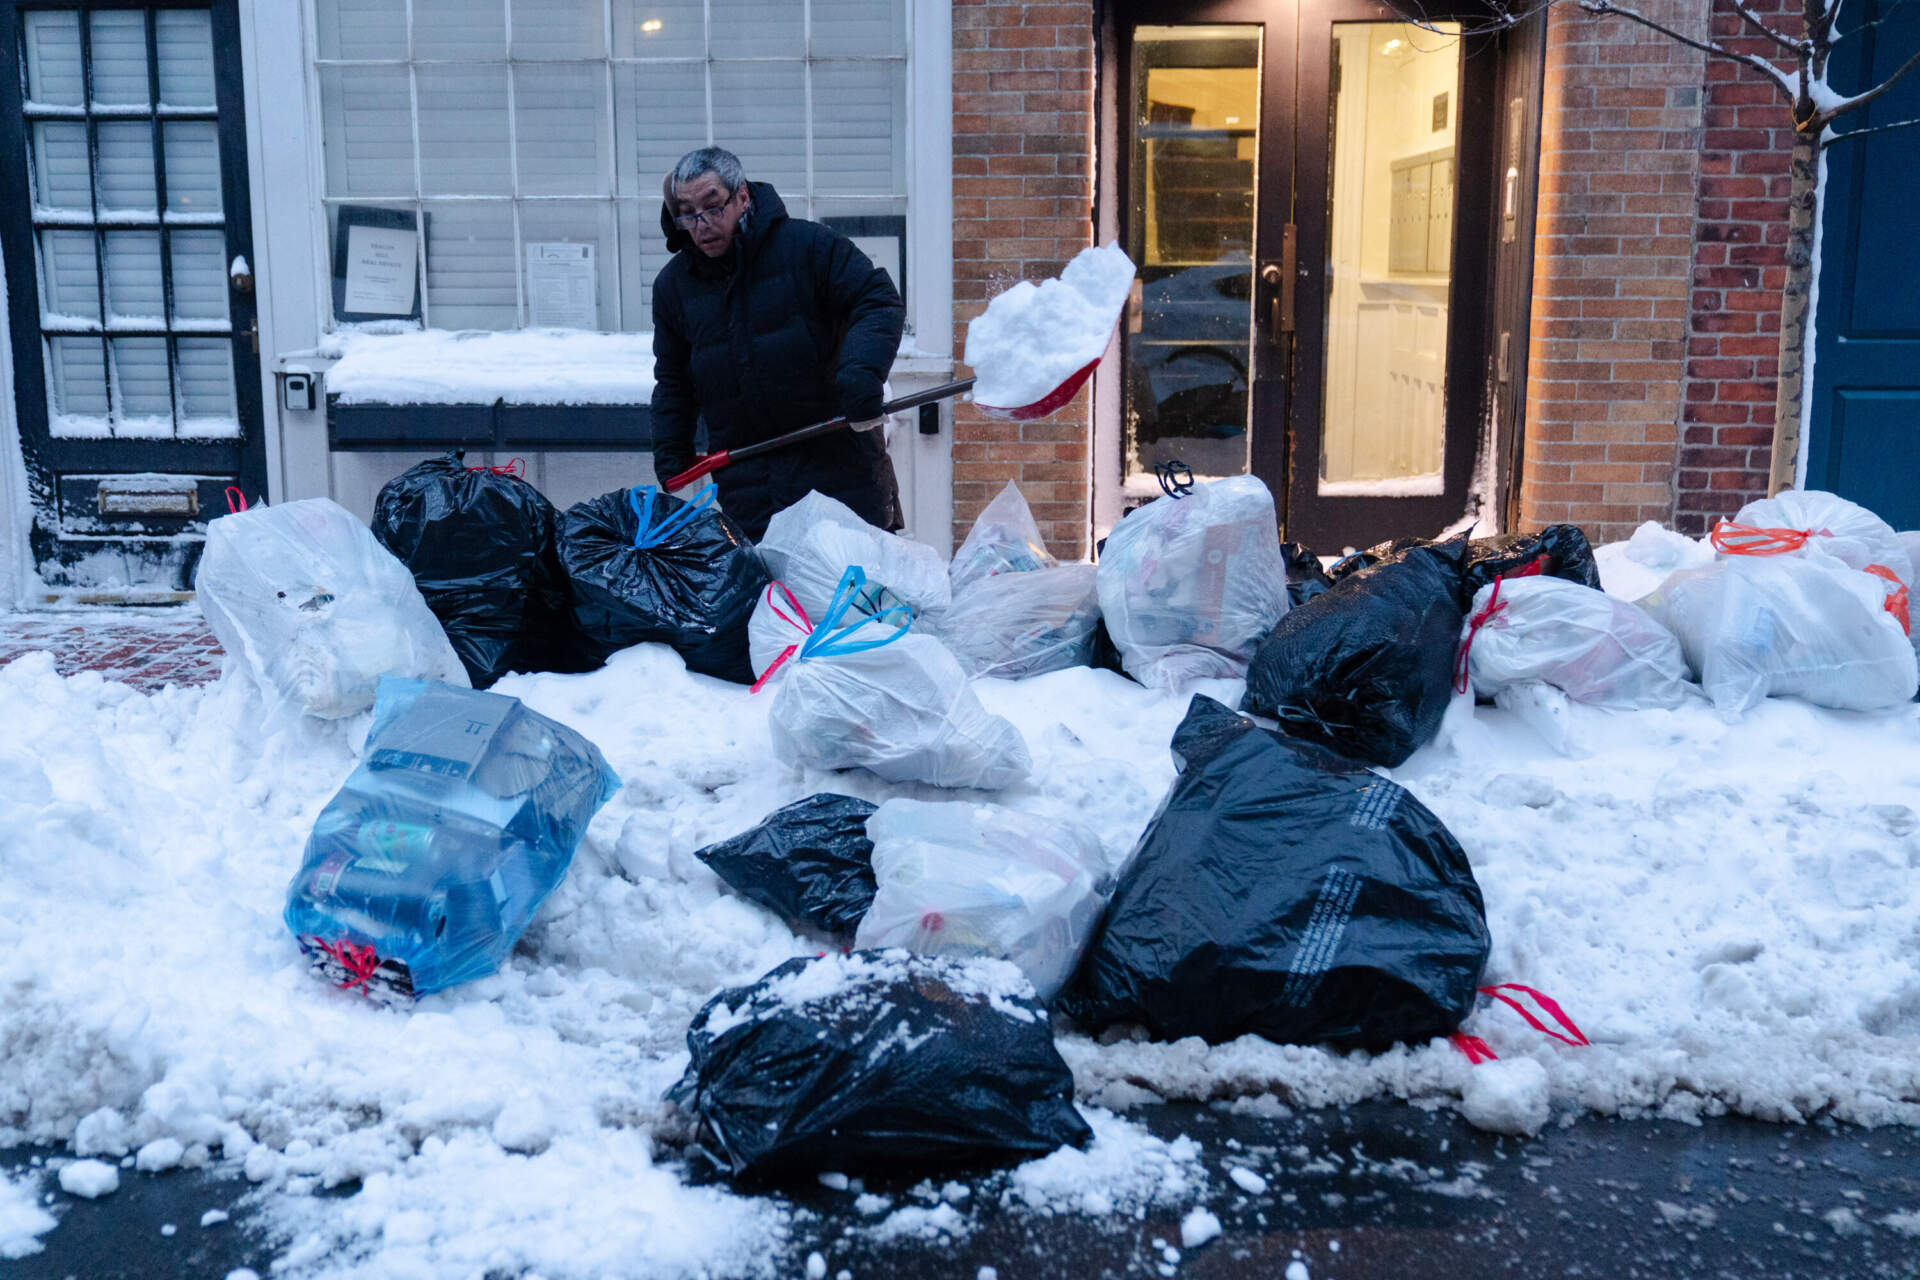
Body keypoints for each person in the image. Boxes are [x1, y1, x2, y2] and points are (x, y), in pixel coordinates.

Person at [649, 147, 906, 540]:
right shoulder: (674, 288)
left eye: (712, 206)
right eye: (687, 212)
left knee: (851, 595)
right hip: (751, 488)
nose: (700, 224)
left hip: (840, 470)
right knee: (775, 600)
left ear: (742, 197)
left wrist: (861, 374)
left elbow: (876, 299)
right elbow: (674, 378)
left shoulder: (807, 248)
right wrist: (672, 447)